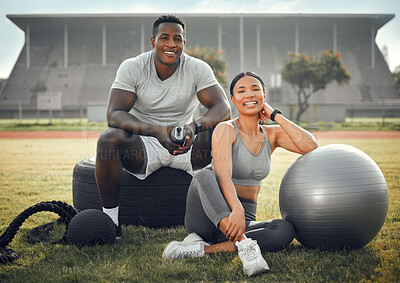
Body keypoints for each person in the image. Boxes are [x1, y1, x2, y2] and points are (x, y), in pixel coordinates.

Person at [162, 72, 318, 276]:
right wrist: (235, 209)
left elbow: (310, 145)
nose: (249, 95)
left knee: (284, 229)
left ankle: (201, 250)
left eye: (255, 89)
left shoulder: (272, 135)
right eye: (241, 91)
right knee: (204, 175)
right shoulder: (226, 129)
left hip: (243, 218)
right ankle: (245, 245)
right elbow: (223, 176)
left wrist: (274, 114)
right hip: (209, 215)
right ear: (234, 100)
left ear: (264, 95)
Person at [95, 15, 230, 238]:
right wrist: (157, 131)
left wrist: (193, 128)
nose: (171, 44)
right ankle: (111, 222)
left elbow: (223, 108)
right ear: (152, 41)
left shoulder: (198, 68)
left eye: (177, 39)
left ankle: (230, 214)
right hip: (145, 144)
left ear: (184, 44)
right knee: (108, 138)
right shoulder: (133, 67)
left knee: (224, 131)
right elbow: (114, 114)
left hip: (187, 141)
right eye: (164, 38)